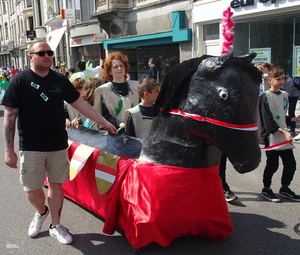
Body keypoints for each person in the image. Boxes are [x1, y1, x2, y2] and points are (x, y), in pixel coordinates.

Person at [2, 41, 116, 245]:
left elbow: (79, 104)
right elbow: (10, 117)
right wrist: (8, 149)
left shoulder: (59, 80)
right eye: (41, 53)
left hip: (58, 144)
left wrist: (104, 122)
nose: (47, 56)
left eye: (49, 53)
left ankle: (56, 225)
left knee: (56, 186)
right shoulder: (19, 81)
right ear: (31, 57)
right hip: (31, 145)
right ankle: (41, 211)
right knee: (32, 190)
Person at [259, 66, 300, 202]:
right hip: (272, 136)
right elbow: (268, 120)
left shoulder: (284, 95)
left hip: (284, 135)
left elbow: (281, 116)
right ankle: (266, 189)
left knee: (291, 164)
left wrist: (293, 119)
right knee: (272, 164)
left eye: (283, 78)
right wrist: (284, 131)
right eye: (278, 79)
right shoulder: (265, 97)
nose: (282, 81)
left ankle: (284, 188)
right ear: (270, 80)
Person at [94, 51, 139, 131]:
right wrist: (119, 124)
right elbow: (103, 116)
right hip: (114, 132)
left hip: (135, 130)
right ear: (110, 71)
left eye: (122, 66)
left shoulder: (136, 86)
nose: (119, 68)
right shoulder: (103, 90)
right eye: (115, 67)